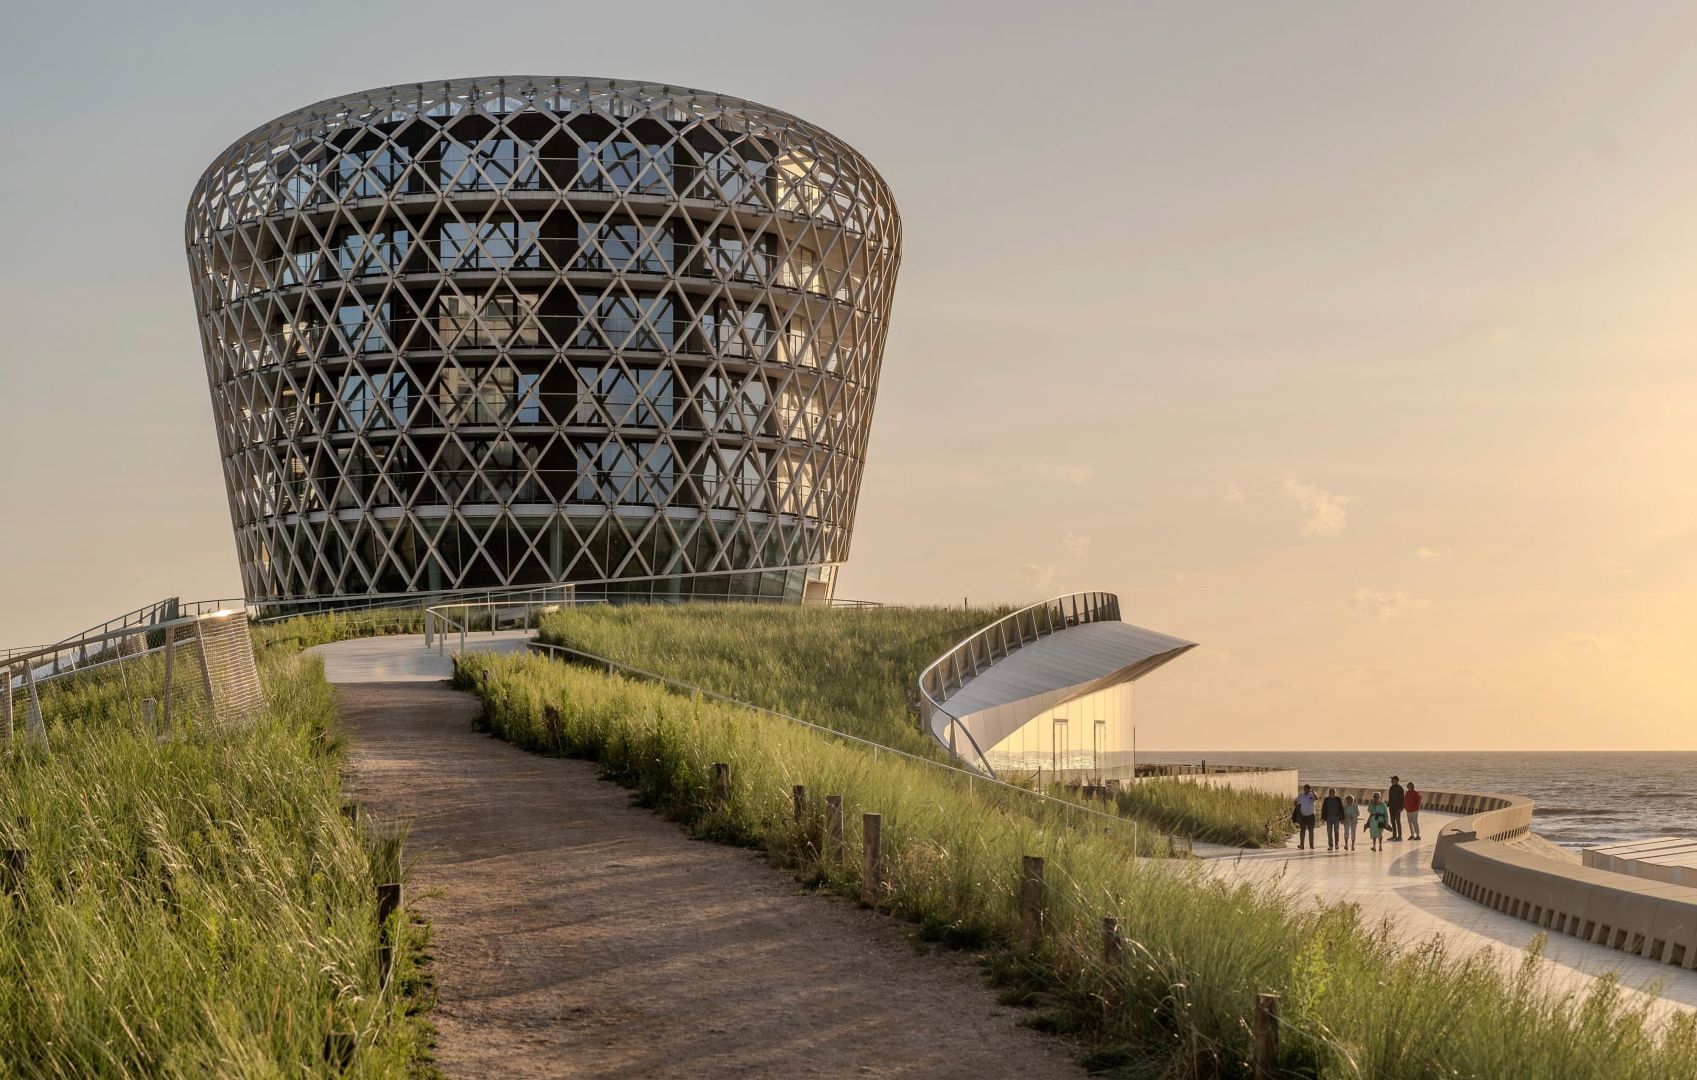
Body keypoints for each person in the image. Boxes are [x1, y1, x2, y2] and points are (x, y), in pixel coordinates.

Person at [1294, 784, 1318, 849]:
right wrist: (1297, 808)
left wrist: (1314, 793)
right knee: (1302, 831)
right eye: (1306, 788)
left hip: (1311, 816)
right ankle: (1302, 845)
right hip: (1303, 816)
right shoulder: (1301, 796)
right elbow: (1295, 801)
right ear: (1304, 789)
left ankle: (1311, 845)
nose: (1308, 789)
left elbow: (1317, 798)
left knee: (1311, 831)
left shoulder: (1312, 795)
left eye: (1309, 788)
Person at [1387, 775, 1406, 841]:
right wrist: (1388, 804)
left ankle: (1400, 836)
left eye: (1393, 779)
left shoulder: (1400, 788)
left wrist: (1401, 807)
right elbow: (1390, 797)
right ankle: (1394, 835)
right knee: (1392, 822)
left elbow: (1402, 799)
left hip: (1397, 808)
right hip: (1391, 807)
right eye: (1391, 779)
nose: (1391, 780)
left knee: (1398, 822)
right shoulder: (1391, 788)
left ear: (1396, 780)